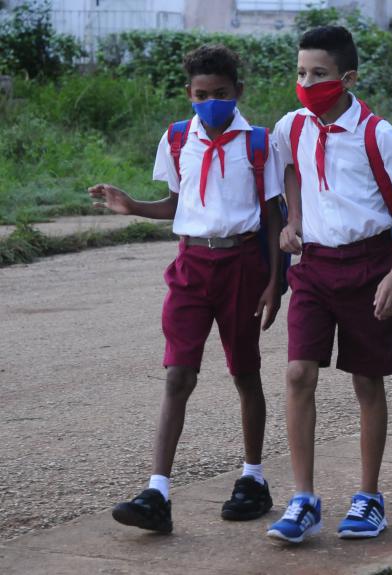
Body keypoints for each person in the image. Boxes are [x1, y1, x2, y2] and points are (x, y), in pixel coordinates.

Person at [88, 44, 283, 533]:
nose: (211, 102)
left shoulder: (260, 143)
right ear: (189, 94)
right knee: (178, 376)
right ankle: (157, 492)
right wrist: (133, 205)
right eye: (201, 94)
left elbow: (275, 216)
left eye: (220, 93)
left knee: (245, 372)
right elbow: (177, 205)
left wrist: (276, 283)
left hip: (243, 266)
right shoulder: (177, 139)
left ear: (238, 91)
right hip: (192, 263)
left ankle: (253, 478)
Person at [265, 25, 392, 543]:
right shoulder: (290, 127)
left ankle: (368, 497)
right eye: (300, 73)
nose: (307, 82)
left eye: (319, 74)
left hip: (369, 267)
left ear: (348, 78)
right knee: (297, 374)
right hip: (313, 267)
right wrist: (291, 221)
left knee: (366, 381)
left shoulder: (376, 133)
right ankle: (303, 499)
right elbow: (290, 174)